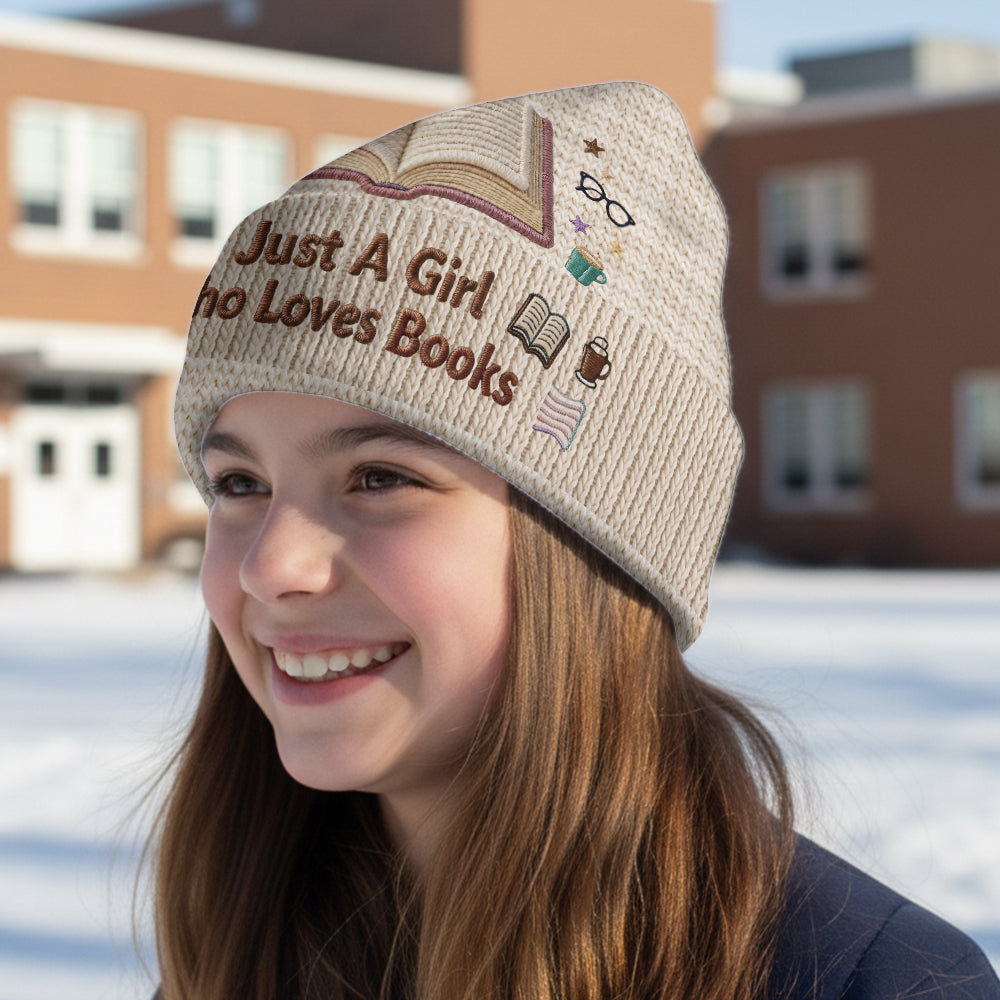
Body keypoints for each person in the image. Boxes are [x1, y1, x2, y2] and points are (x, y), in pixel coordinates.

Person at [157, 82, 999, 999]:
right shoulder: (242, 949)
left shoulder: (878, 984)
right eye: (239, 484)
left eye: (382, 478)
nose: (271, 565)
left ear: (596, 547)